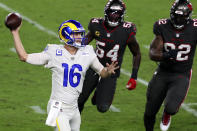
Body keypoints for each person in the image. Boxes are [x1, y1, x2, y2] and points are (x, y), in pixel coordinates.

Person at [7, 19, 119, 131]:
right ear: (66, 35)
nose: (80, 37)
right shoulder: (54, 52)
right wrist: (15, 32)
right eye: (76, 34)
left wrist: (108, 71)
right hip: (58, 107)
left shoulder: (87, 52)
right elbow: (24, 56)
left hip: (74, 109)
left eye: (80, 34)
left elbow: (102, 73)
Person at [78, 0, 141, 113]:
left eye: (117, 13)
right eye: (111, 13)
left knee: (102, 108)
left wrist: (133, 76)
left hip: (112, 70)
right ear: (106, 13)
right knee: (79, 100)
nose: (114, 16)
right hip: (94, 65)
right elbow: (85, 41)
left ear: (122, 15)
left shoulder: (127, 30)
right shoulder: (96, 25)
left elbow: (136, 53)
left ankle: (99, 92)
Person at [144, 0, 196, 131]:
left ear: (188, 16)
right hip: (163, 71)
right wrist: (167, 55)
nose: (178, 19)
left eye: (182, 16)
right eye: (176, 15)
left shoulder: (194, 28)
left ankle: (167, 114)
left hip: (181, 73)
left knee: (171, 108)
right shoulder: (162, 26)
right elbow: (153, 53)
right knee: (150, 110)